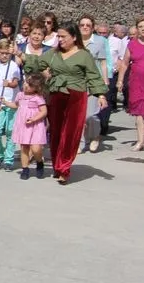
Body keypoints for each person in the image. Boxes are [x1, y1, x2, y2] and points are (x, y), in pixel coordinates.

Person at [37, 24, 108, 185]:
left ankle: (64, 168)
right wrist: (20, 55)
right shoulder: (54, 54)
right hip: (56, 95)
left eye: (63, 37)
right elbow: (37, 63)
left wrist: (101, 95)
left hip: (76, 96)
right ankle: (57, 164)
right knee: (55, 132)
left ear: (74, 37)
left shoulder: (84, 55)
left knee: (70, 133)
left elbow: (93, 76)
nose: (60, 40)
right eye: (59, 37)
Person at [1, 73, 48, 180]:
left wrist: (34, 119)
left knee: (36, 149)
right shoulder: (20, 95)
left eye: (30, 85)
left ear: (37, 88)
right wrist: (5, 102)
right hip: (23, 125)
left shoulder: (38, 98)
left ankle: (39, 162)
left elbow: (44, 111)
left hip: (35, 126)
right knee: (24, 147)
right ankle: (25, 168)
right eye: (26, 82)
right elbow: (16, 105)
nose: (26, 85)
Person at [0, 39, 22, 171]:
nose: (4, 55)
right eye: (1, 53)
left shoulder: (13, 66)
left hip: (11, 103)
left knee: (10, 131)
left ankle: (8, 159)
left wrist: (9, 84)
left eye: (7, 53)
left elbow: (16, 83)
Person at [78, 15, 110, 153]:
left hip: (93, 82)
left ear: (92, 28)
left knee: (90, 114)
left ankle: (95, 136)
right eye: (82, 25)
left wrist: (105, 81)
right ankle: (81, 142)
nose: (85, 27)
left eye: (88, 25)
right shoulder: (74, 41)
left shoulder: (99, 42)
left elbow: (103, 62)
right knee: (79, 115)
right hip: (77, 82)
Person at [118, 17, 144, 150]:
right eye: (140, 26)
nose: (143, 28)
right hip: (137, 83)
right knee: (140, 112)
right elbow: (124, 63)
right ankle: (140, 141)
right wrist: (120, 80)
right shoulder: (132, 44)